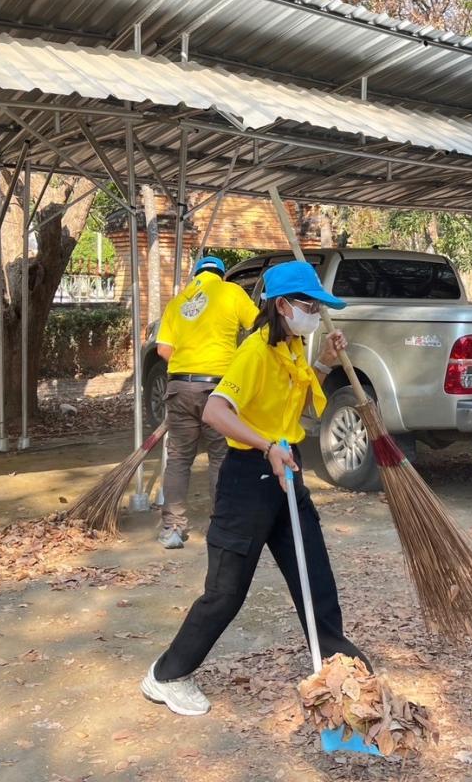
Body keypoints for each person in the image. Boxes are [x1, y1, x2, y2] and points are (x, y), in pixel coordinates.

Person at [141, 260, 371, 717]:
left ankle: (338, 668)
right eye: (308, 305)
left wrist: (323, 363)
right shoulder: (254, 352)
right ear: (282, 306)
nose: (314, 314)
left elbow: (300, 407)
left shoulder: (291, 351)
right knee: (226, 592)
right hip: (249, 479)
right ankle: (165, 676)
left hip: (287, 472)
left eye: (319, 306)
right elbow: (216, 412)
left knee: (316, 579)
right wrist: (265, 445)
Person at [154, 256, 260, 549]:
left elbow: (164, 349)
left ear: (197, 274)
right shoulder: (231, 292)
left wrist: (190, 363)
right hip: (218, 389)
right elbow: (258, 326)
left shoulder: (178, 301)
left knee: (178, 459)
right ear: (222, 274)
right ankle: (221, 524)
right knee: (220, 457)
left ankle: (172, 529)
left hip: (179, 386)